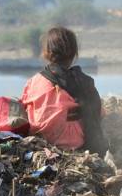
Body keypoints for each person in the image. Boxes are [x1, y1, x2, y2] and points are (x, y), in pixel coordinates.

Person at [21, 26, 107, 155]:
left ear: (46, 53)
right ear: (74, 54)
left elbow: (25, 110)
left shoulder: (34, 82)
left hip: (44, 143)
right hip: (79, 144)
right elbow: (99, 114)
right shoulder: (85, 82)